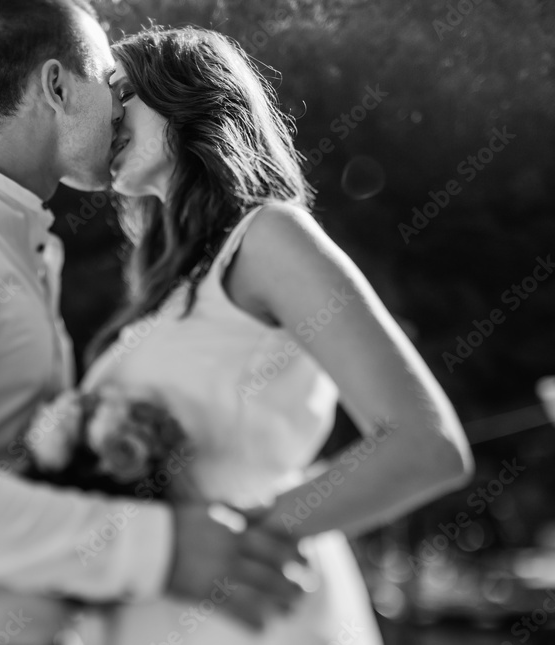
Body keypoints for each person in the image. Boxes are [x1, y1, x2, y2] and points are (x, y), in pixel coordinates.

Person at [0, 3, 304, 644]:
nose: (121, 112)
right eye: (112, 86)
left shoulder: (30, 246)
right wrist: (160, 549)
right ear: (57, 86)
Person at [77, 26, 475, 644]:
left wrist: (229, 542)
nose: (105, 114)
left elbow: (426, 446)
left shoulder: (268, 237)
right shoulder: (162, 294)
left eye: (122, 92)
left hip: (252, 609)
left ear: (187, 94)